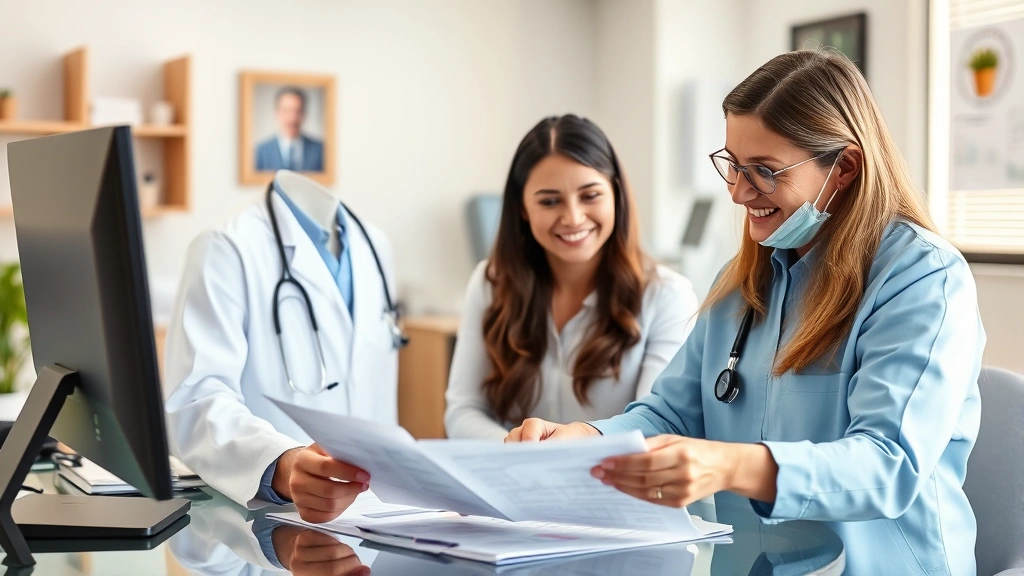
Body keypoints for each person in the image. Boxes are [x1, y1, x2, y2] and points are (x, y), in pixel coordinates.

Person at [506, 51, 985, 576]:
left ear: (843, 168)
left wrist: (728, 463)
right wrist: (588, 438)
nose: (737, 191)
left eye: (763, 171)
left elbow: (889, 465)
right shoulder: (740, 282)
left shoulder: (922, 278)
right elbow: (670, 413)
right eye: (733, 165)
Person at [164, 169, 405, 523]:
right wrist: (281, 463)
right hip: (271, 527)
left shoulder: (375, 245)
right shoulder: (225, 247)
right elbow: (196, 401)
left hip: (383, 517)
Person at [445, 114, 699, 440]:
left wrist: (568, 448)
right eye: (550, 201)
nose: (573, 217)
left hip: (611, 487)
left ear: (616, 194)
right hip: (512, 483)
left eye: (590, 195)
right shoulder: (490, 282)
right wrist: (517, 452)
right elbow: (463, 411)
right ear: (522, 208)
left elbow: (656, 424)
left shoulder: (667, 295)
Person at [255, 86, 325, 172]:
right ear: (276, 113)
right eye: (286, 110)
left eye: (298, 111)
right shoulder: (261, 151)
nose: (292, 118)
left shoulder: (320, 150)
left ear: (305, 114)